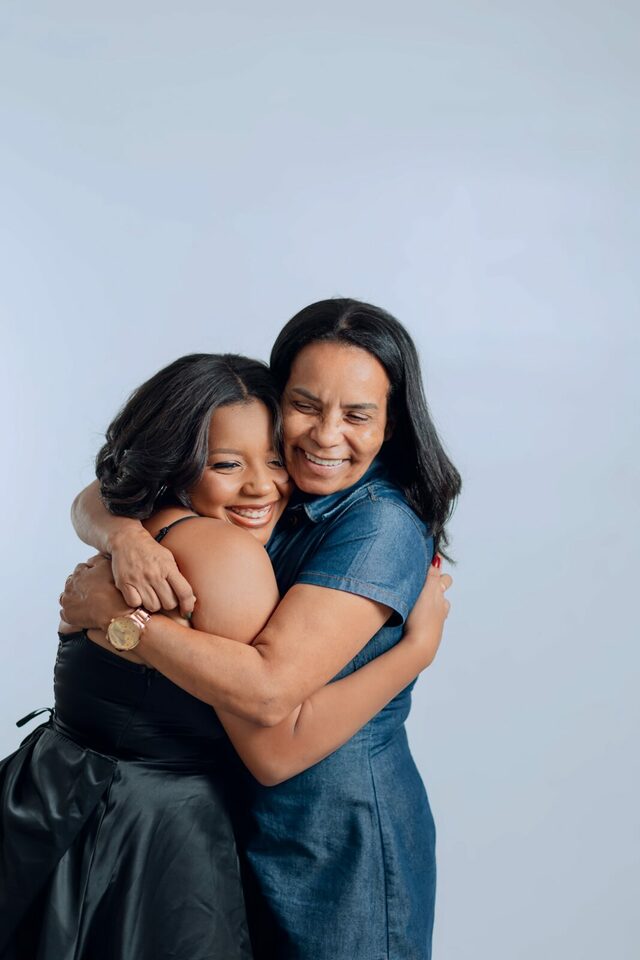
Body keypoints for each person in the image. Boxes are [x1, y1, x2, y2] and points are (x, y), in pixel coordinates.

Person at [0, 352, 451, 960]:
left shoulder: (154, 522)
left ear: (390, 423)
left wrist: (122, 604)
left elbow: (99, 499)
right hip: (151, 840)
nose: (262, 485)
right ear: (178, 462)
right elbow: (271, 734)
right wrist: (417, 648)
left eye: (274, 460)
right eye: (226, 464)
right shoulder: (225, 552)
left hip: (60, 799)